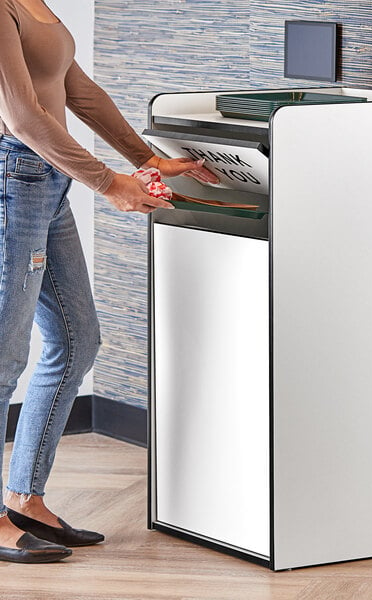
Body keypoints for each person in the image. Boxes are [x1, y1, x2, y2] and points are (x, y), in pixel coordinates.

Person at [0, 0, 218, 563]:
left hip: (47, 178)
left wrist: (144, 156)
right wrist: (109, 182)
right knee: (3, 358)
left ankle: (25, 498)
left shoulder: (34, 4)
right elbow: (22, 116)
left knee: (76, 341)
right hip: (12, 176)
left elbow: (78, 90)